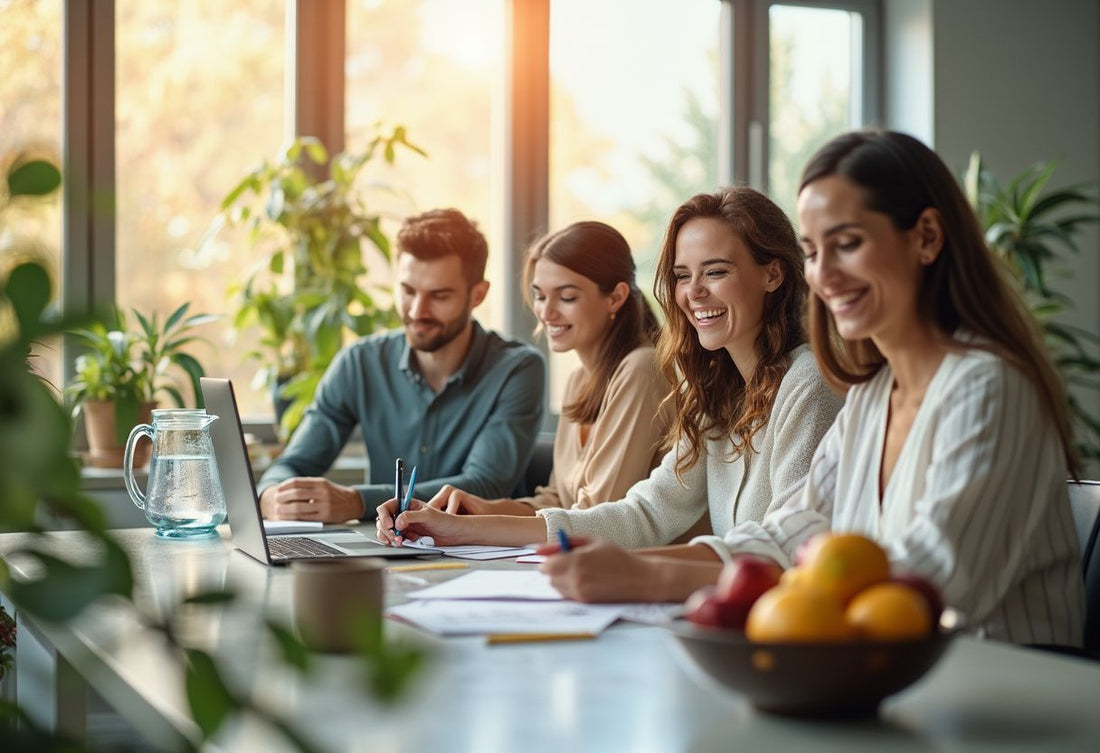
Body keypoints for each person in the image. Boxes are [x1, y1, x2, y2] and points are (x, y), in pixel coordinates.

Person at [546, 131, 1086, 647]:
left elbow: (924, 581)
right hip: (894, 686)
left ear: (926, 237)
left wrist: (654, 579)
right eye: (814, 250)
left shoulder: (990, 387)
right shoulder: (874, 395)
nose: (823, 274)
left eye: (847, 244)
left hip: (999, 697)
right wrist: (637, 568)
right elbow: (791, 535)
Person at [376, 187, 843, 568]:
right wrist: (456, 528)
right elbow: (644, 513)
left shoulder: (808, 383)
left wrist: (642, 574)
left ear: (773, 275)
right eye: (682, 275)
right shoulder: (714, 394)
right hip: (730, 618)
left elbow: (787, 547)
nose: (694, 293)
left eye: (715, 272)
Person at [257, 208, 547, 523]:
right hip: (388, 547)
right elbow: (293, 464)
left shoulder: (518, 369)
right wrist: (273, 496)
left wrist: (356, 502)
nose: (417, 311)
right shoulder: (360, 364)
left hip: (483, 556)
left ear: (477, 294)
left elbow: (483, 485)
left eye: (439, 296)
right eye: (408, 291)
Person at [424, 221, 673, 517]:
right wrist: (479, 508)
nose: (546, 312)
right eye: (540, 296)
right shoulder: (578, 381)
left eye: (567, 297)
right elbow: (558, 500)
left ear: (616, 297)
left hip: (641, 560)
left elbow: (601, 515)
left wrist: (481, 524)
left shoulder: (640, 370)